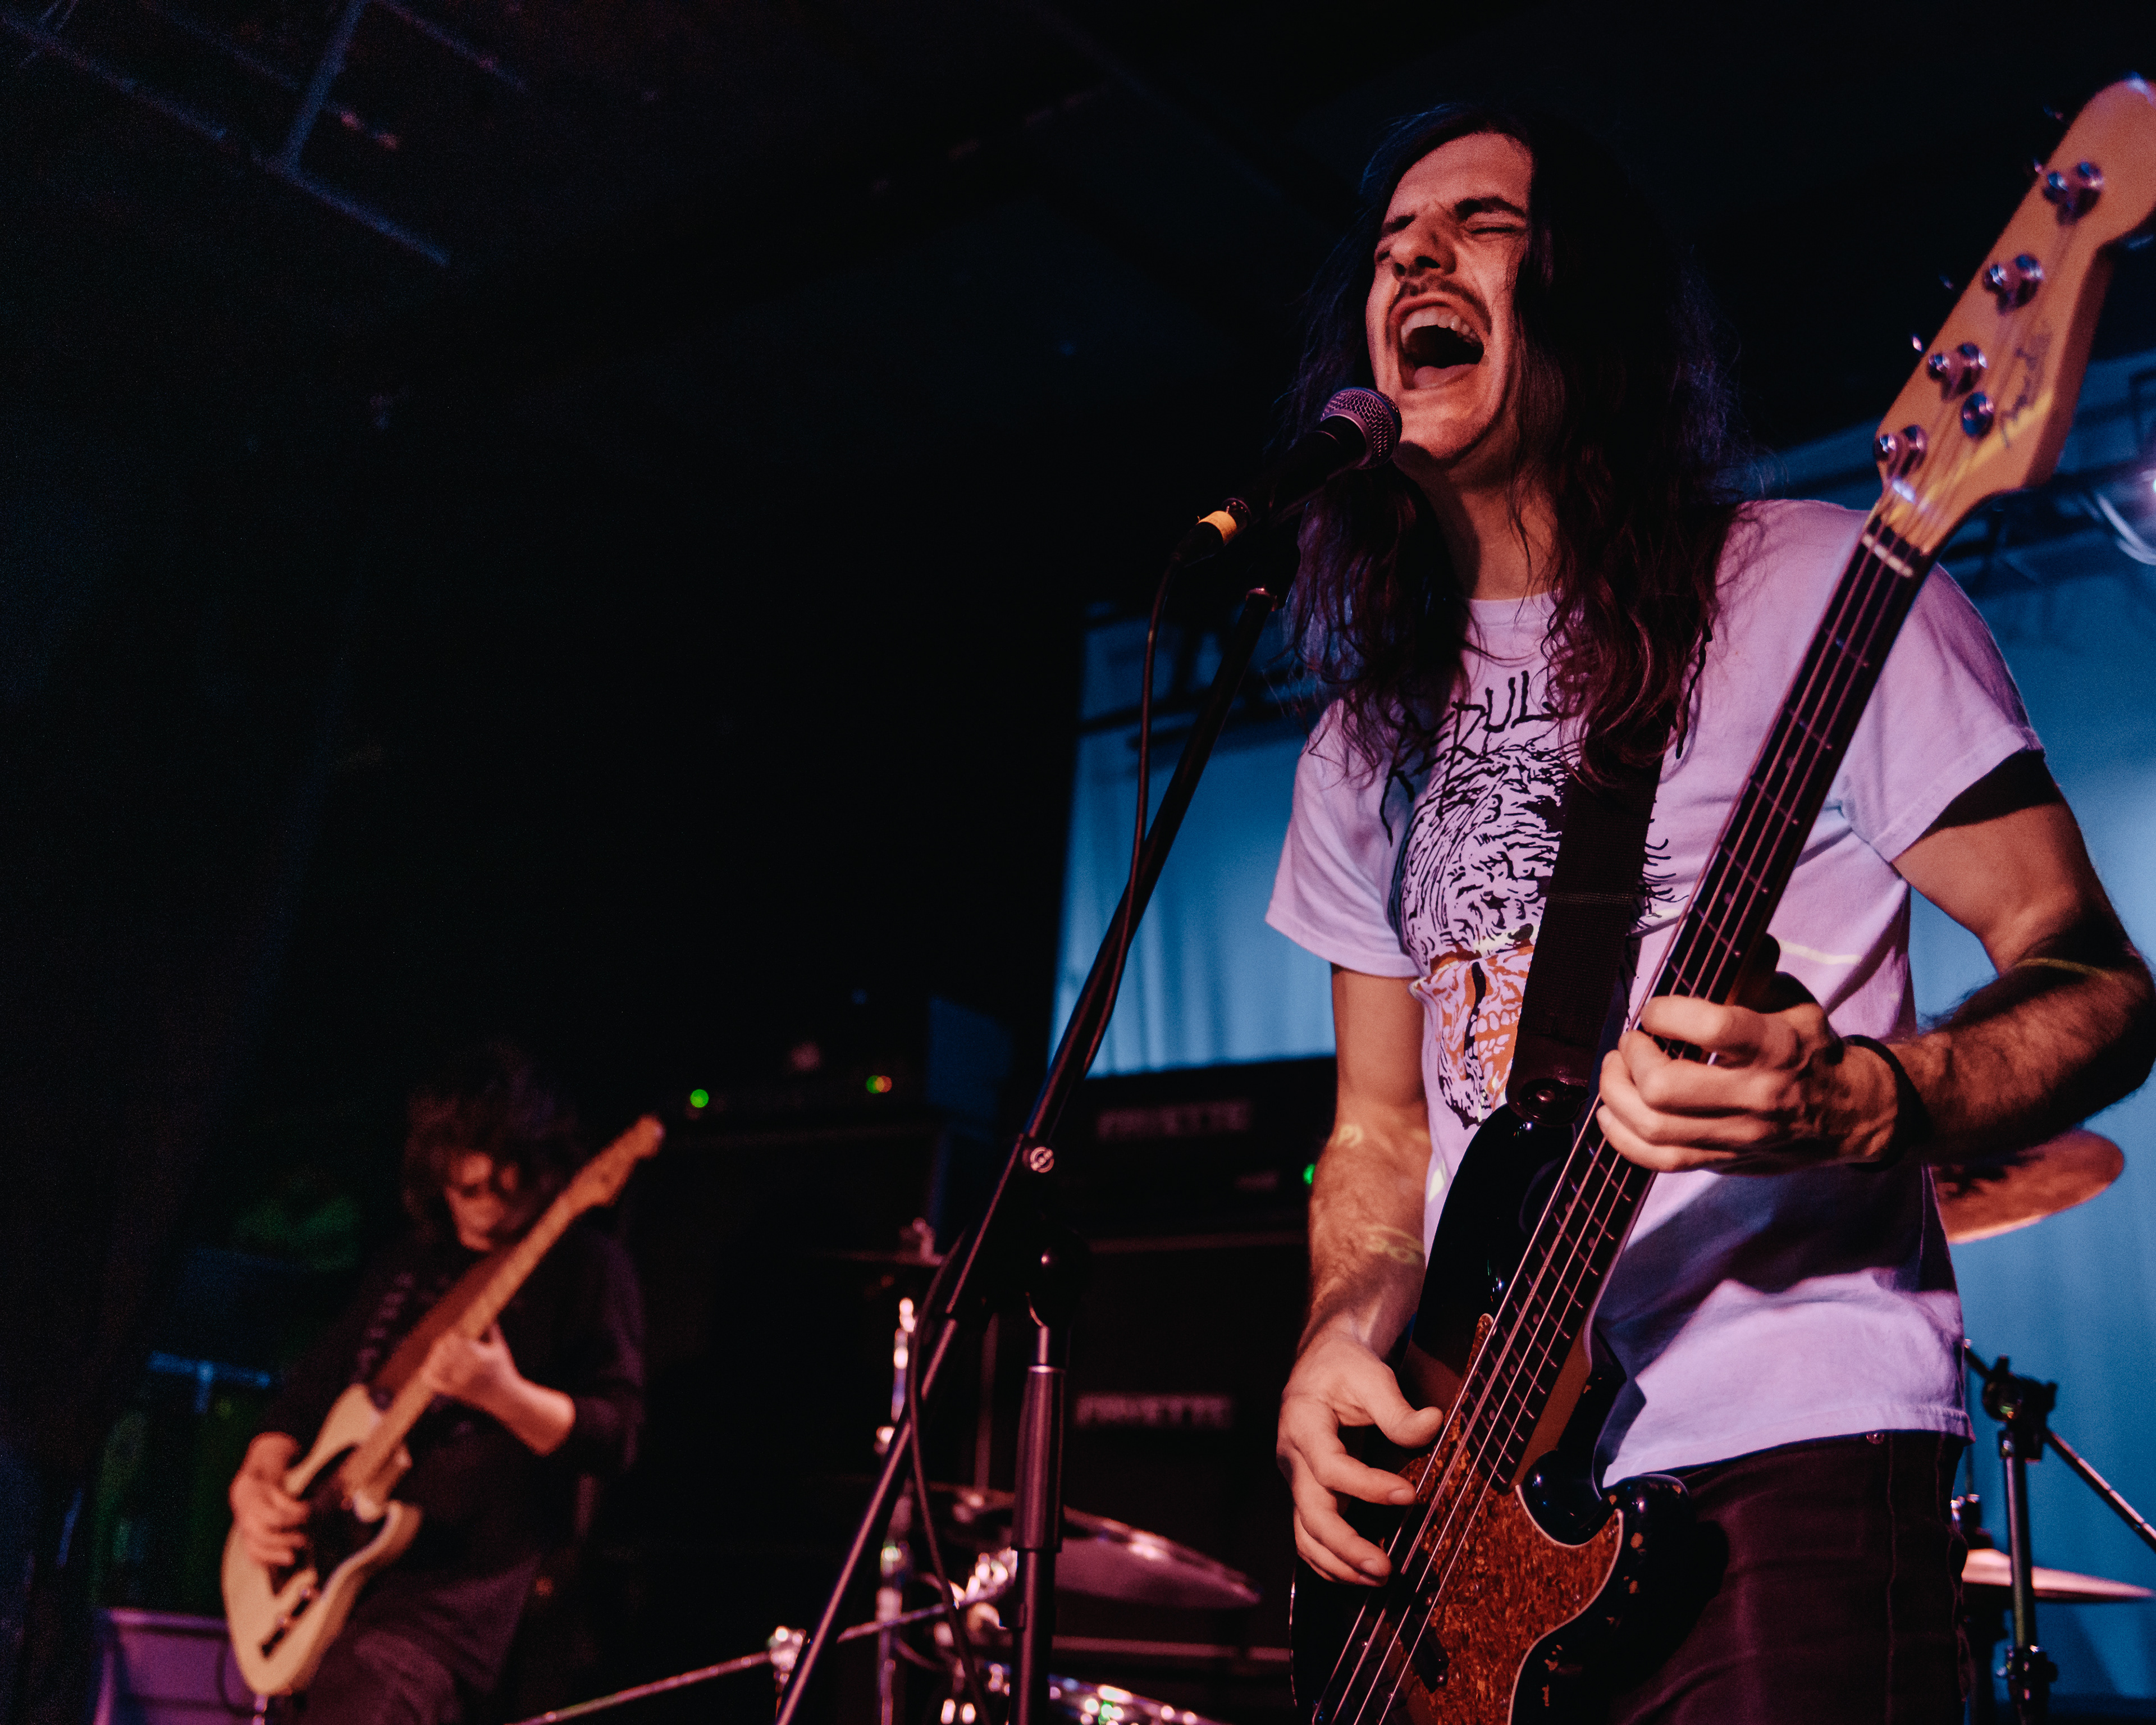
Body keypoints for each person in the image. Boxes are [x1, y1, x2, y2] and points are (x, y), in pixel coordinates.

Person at [1264, 104, 2154, 1722]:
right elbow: (1384, 1137)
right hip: (1472, 1522)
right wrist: (1339, 1333)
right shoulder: (1361, 739)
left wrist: (1866, 1094)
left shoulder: (1822, 585)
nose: (1416, 252)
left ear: (1588, 301)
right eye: (1394, 238)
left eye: (1480, 223)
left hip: (1786, 1452)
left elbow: (2094, 979)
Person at [227, 1043, 645, 1724]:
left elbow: (618, 1436)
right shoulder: (404, 1263)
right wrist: (254, 1483)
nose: (485, 1209)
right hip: (330, 1597)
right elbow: (306, 1397)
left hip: (448, 1613)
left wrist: (503, 1395)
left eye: (504, 1187)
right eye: (466, 1191)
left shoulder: (587, 1267)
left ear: (543, 1172)